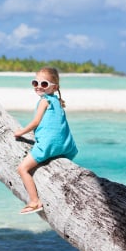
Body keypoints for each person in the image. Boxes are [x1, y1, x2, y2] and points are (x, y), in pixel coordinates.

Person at [14, 66, 78, 214]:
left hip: (48, 146)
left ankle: (35, 201)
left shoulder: (44, 101)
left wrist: (20, 132)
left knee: (22, 169)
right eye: (35, 83)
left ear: (54, 87)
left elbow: (36, 122)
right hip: (64, 146)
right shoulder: (57, 102)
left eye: (44, 84)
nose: (38, 87)